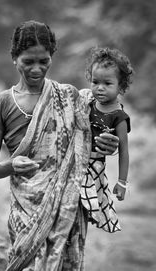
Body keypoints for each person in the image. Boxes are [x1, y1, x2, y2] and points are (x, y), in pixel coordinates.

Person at [0, 21, 119, 271]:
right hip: (26, 210)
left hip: (66, 208)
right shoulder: (1, 102)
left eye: (44, 61)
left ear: (51, 57)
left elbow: (86, 143)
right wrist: (11, 165)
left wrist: (109, 145)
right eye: (28, 61)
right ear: (14, 58)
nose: (37, 69)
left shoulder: (68, 97)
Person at [80, 47, 133, 232]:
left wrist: (122, 182)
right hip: (76, 163)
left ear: (120, 86)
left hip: (95, 166)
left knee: (90, 202)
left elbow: (124, 150)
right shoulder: (86, 104)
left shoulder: (119, 116)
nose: (99, 88)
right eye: (95, 82)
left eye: (107, 83)